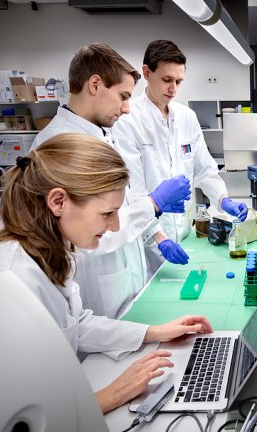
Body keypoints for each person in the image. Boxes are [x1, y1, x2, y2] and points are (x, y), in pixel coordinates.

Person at [0, 134, 213, 414]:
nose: (114, 226)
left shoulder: (45, 238)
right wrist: (109, 395)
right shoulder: (7, 278)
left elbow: (73, 323)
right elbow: (1, 412)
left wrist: (155, 332)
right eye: (107, 213)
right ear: (58, 201)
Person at [32, 43, 191, 319]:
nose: (127, 108)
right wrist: (153, 204)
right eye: (123, 96)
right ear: (95, 84)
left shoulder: (101, 134)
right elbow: (87, 235)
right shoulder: (60, 144)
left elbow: (118, 205)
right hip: (99, 282)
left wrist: (152, 213)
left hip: (126, 274)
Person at [113, 40, 248, 271]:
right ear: (147, 72)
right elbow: (133, 192)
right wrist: (160, 238)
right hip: (150, 242)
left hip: (185, 234)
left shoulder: (187, 117)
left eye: (178, 81)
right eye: (167, 80)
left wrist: (223, 199)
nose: (173, 88)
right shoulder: (127, 120)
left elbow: (205, 169)